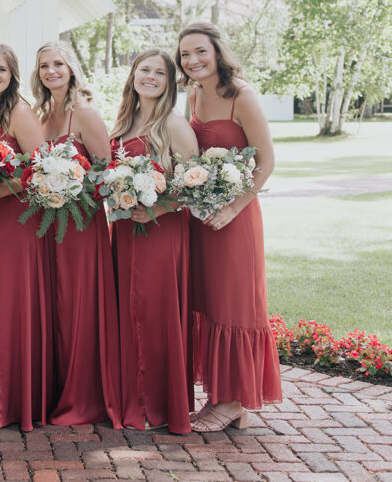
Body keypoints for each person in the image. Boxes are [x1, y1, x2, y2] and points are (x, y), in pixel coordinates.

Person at [176, 22, 282, 432]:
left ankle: (234, 401)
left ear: (217, 52)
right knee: (210, 301)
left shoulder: (243, 96)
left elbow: (266, 163)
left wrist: (232, 209)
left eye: (200, 51)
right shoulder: (194, 94)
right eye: (185, 54)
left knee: (235, 304)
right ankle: (218, 395)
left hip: (235, 220)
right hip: (201, 216)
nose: (193, 60)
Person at [108, 48, 199, 434]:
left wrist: (158, 210)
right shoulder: (123, 122)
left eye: (159, 73)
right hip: (126, 230)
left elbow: (196, 183)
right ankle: (131, 396)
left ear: (169, 82)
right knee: (127, 311)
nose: (150, 77)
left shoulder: (174, 125)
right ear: (132, 76)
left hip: (162, 232)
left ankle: (157, 403)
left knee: (155, 312)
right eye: (144, 70)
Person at [31, 41, 121, 428]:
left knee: (76, 306)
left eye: (58, 64)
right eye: (44, 66)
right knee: (52, 307)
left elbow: (106, 173)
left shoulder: (84, 113)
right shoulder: (41, 113)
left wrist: (70, 184)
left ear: (71, 68)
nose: (51, 71)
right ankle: (53, 390)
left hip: (81, 226)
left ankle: (82, 397)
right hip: (45, 226)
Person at [0, 43, 51, 431]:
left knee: (10, 304)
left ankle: (15, 399)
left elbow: (41, 170)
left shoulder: (19, 112)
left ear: (12, 74)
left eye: (1, 69)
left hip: (17, 220)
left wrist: (1, 192)